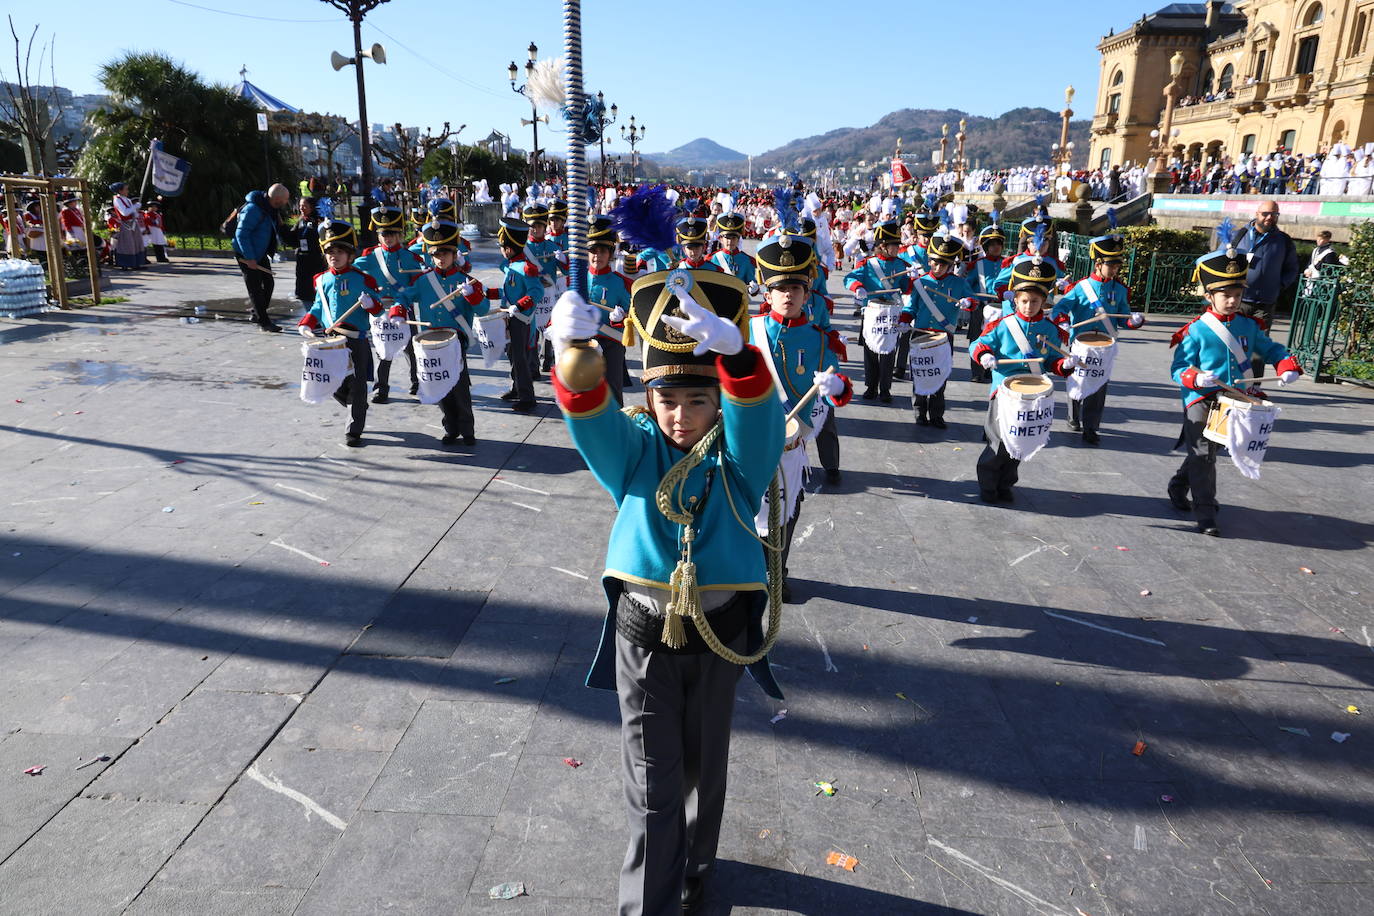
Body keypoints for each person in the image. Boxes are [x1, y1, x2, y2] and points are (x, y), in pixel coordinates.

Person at [546, 264, 784, 916]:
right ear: (648, 398)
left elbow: (758, 427)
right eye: (667, 400)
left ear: (719, 402)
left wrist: (738, 361)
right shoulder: (634, 450)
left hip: (721, 634)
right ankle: (647, 905)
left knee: (706, 770)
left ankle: (698, 867)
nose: (680, 416)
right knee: (653, 784)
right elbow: (590, 416)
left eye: (698, 399)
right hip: (645, 637)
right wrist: (573, 356)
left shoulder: (740, 462)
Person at [1168, 241, 1302, 536]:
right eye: (1225, 295)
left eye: (1237, 294)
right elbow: (1178, 369)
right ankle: (1206, 513)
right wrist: (1195, 378)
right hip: (1200, 398)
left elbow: (1271, 349)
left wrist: (1286, 366)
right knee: (1203, 453)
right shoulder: (1195, 330)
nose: (1232, 300)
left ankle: (1178, 484)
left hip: (1233, 399)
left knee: (1208, 451)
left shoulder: (1249, 326)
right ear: (1209, 295)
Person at [749, 232, 851, 593]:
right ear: (768, 292)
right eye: (780, 288)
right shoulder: (749, 331)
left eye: (795, 287)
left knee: (785, 514)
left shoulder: (822, 340)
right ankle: (747, 574)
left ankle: (777, 573)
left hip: (791, 448)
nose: (788, 295)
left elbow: (840, 388)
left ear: (808, 293)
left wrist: (837, 387)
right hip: (751, 442)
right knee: (745, 511)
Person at [971, 258, 1077, 503]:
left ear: (1044, 302)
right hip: (1004, 391)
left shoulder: (1050, 329)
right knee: (998, 442)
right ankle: (988, 486)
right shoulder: (1003, 325)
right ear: (1015, 300)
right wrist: (985, 355)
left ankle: (1006, 483)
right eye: (1025, 301)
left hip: (1032, 393)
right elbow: (979, 344)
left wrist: (1065, 365)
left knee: (1019, 442)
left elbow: (1051, 361)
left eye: (1035, 301)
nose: (1029, 306)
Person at [296, 220, 385, 447]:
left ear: (349, 254)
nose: (333, 256)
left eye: (339, 251)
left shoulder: (363, 279)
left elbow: (379, 309)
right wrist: (306, 323)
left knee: (356, 384)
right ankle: (357, 404)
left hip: (355, 340)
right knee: (334, 384)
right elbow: (318, 307)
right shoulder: (321, 279)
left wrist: (370, 305)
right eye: (329, 252)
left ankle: (353, 429)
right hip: (330, 341)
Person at [1051, 231, 1145, 444]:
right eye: (1110, 265)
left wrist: (1134, 321)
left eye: (1117, 266)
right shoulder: (1080, 287)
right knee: (1077, 380)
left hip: (1104, 345)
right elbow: (1060, 308)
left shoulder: (1120, 290)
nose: (1114, 270)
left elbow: (1123, 319)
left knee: (1099, 384)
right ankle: (1073, 415)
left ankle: (1091, 427)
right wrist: (1063, 321)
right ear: (1098, 264)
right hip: (1080, 344)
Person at [407, 219, 488, 445]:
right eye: (436, 255)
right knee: (440, 387)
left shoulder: (467, 281)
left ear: (454, 254)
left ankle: (467, 429)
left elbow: (483, 309)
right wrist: (395, 309)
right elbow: (404, 296)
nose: (441, 258)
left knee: (460, 388)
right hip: (431, 344)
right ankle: (450, 427)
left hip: (455, 343)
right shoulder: (423, 281)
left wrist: (471, 294)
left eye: (446, 254)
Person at [900, 233, 976, 428]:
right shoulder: (921, 282)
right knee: (920, 374)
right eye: (935, 263)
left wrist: (968, 302)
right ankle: (919, 411)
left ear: (950, 265)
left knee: (940, 375)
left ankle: (936, 414)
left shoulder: (959, 283)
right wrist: (905, 319)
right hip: (922, 334)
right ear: (930, 261)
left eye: (943, 264)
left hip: (943, 337)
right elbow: (911, 307)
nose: (938, 267)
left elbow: (972, 301)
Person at [353, 206, 425, 403]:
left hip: (403, 309)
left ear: (400, 234)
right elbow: (352, 271)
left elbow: (418, 282)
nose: (388, 237)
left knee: (410, 348)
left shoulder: (409, 257)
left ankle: (416, 382)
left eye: (392, 233)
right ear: (378, 235)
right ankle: (381, 388)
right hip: (380, 311)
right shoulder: (371, 256)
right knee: (383, 350)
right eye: (384, 233)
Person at [845, 219, 912, 402]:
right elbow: (850, 278)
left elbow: (906, 288)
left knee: (889, 352)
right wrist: (857, 286)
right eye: (894, 245)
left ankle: (885, 389)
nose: (897, 248)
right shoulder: (868, 264)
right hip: (873, 311)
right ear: (882, 246)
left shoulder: (901, 265)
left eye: (898, 245)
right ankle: (871, 387)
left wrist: (912, 279)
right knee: (870, 351)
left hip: (892, 312)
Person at [1230, 201, 1299, 378]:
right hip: (1237, 300)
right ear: (1257, 213)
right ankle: (1231, 380)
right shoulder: (1239, 235)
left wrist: (1280, 285)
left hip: (1265, 303)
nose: (1269, 217)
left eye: (1274, 214)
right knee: (1233, 341)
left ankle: (1254, 384)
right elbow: (1222, 260)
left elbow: (1292, 268)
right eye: (1266, 213)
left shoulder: (1283, 240)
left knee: (1258, 345)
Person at [490, 217, 543, 413]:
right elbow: (507, 291)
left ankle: (528, 397)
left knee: (520, 358)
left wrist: (519, 306)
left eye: (503, 246)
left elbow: (536, 292)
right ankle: (516, 388)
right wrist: (485, 292)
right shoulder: (511, 265)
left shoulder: (526, 268)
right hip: (511, 318)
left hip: (521, 319)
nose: (502, 250)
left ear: (510, 248)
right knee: (513, 355)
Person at [586, 215, 633, 404]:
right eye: (593, 251)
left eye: (603, 251)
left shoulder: (621, 282)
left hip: (611, 342)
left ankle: (616, 429)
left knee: (612, 390)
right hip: (584, 341)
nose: (597, 256)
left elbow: (632, 314)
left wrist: (620, 318)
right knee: (585, 389)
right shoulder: (577, 278)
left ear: (611, 253)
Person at [232, 182, 290, 332]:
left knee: (268, 283)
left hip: (259, 253)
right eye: (285, 200)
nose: (286, 203)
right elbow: (241, 234)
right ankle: (264, 322)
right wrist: (250, 257)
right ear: (277, 199)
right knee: (255, 288)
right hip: (246, 255)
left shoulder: (269, 208)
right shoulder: (253, 209)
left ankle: (257, 313)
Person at [280, 197, 325, 305]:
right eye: (300, 205)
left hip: (316, 258)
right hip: (302, 258)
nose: (301, 208)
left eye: (304, 206)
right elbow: (292, 239)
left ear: (312, 207)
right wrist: (282, 228)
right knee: (303, 287)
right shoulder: (301, 220)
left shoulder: (319, 221)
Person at [108, 182, 146, 271]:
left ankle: (136, 263)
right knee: (127, 244)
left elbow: (132, 212)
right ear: (120, 191)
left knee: (136, 242)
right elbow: (124, 212)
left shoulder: (127, 200)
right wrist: (134, 206)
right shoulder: (117, 200)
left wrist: (136, 210)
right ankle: (125, 264)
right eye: (126, 189)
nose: (127, 191)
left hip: (133, 223)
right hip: (125, 224)